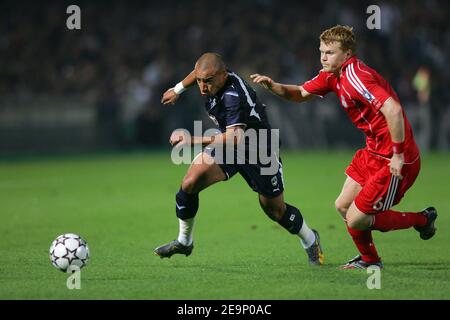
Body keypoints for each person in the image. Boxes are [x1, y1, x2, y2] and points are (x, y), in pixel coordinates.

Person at [251, 25, 437, 269]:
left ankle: (421, 220)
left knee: (357, 218)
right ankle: (370, 260)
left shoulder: (356, 77)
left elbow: (393, 110)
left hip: (393, 160)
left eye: (329, 52)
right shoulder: (331, 75)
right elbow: (299, 93)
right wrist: (273, 85)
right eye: (321, 51)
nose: (323, 57)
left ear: (347, 54)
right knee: (343, 206)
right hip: (372, 153)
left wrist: (398, 155)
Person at [154, 52, 324, 266]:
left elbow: (235, 137)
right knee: (190, 182)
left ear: (223, 76)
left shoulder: (233, 95)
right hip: (230, 143)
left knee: (275, 210)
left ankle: (310, 240)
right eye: (199, 81)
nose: (203, 87)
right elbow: (199, 72)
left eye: (207, 81)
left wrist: (191, 139)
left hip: (259, 148)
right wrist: (178, 89)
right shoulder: (212, 77)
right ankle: (184, 242)